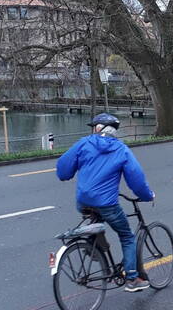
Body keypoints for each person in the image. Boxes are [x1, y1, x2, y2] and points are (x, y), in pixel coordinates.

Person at [56, 113, 155, 292]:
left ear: (99, 128)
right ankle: (132, 279)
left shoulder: (83, 143)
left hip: (83, 202)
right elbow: (136, 180)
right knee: (127, 236)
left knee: (97, 220)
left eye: (94, 126)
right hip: (107, 204)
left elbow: (63, 171)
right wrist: (148, 196)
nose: (92, 130)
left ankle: (94, 245)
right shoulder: (121, 150)